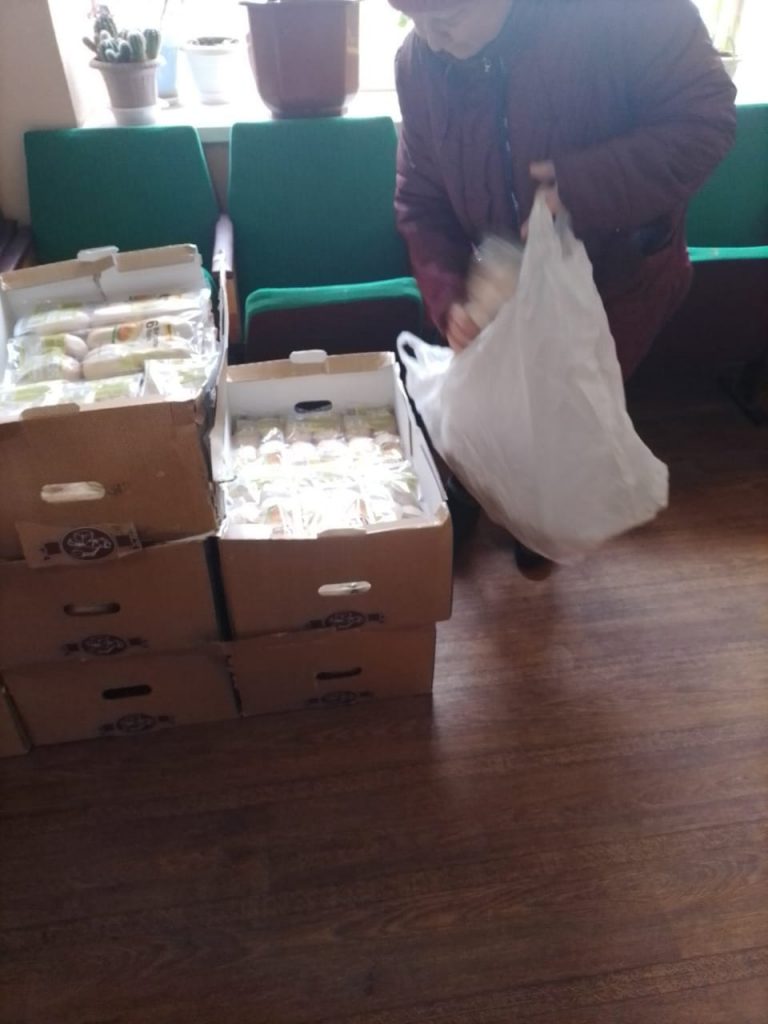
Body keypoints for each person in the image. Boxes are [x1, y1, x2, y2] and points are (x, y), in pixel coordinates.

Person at [389, 0, 737, 569]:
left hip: (617, 280)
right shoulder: (418, 63)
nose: (429, 38)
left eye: (447, 17)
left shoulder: (626, 14)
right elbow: (420, 200)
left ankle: (539, 528)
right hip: (496, 284)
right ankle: (475, 496)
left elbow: (705, 123)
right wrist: (448, 295)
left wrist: (579, 187)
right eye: (411, 17)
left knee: (563, 419)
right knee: (484, 412)